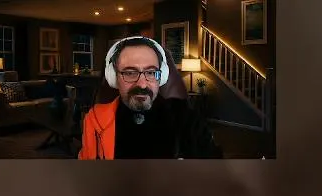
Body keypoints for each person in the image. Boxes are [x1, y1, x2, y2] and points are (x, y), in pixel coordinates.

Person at [78, 36, 222, 160]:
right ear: (114, 77)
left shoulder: (187, 119)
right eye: (130, 73)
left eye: (151, 73)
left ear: (161, 77)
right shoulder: (96, 119)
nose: (142, 84)